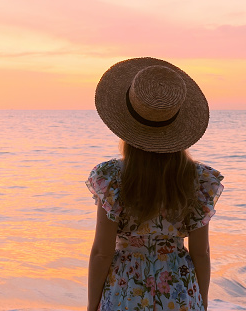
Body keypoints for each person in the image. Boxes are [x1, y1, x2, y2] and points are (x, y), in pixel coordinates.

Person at [86, 58, 224, 311]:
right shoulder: (197, 179)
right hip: (179, 288)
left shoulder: (112, 177)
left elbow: (102, 253)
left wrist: (91, 306)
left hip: (125, 290)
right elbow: (201, 252)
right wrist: (201, 303)